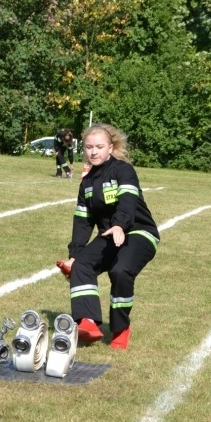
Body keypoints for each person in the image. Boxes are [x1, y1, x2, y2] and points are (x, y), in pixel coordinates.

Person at [58, 124, 160, 350]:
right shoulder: (87, 183)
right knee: (82, 265)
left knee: (120, 270)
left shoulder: (123, 170)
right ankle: (88, 322)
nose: (93, 152)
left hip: (139, 231)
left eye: (99, 147)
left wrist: (119, 225)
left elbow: (128, 201)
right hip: (110, 234)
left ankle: (121, 328)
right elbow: (82, 221)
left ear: (110, 148)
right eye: (89, 147)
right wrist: (74, 255)